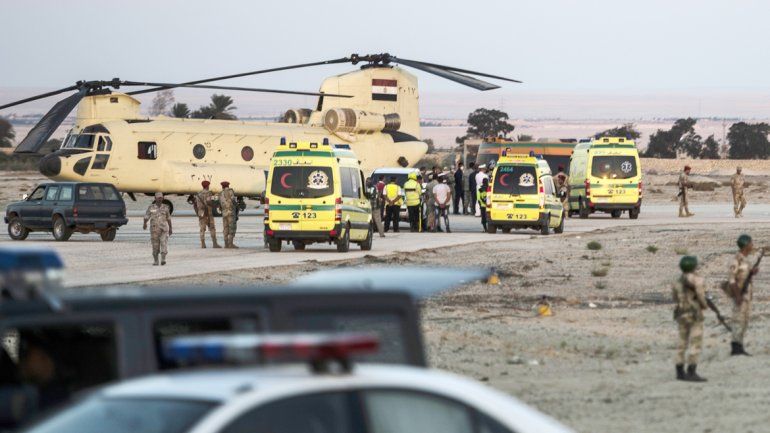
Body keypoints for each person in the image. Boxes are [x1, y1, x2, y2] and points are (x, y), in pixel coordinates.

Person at [672, 255, 708, 382]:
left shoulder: (677, 282)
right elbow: (701, 297)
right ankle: (691, 371)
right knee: (695, 342)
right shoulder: (698, 280)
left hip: (681, 314)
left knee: (682, 342)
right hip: (694, 314)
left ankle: (679, 371)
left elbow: (675, 298)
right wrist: (704, 306)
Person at [726, 234, 759, 356]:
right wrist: (738, 296)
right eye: (751, 243)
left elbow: (745, 275)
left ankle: (739, 346)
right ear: (746, 245)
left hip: (746, 295)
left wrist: (752, 272)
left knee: (744, 321)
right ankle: (735, 347)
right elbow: (732, 280)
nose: (752, 245)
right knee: (738, 320)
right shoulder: (736, 260)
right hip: (739, 295)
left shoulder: (745, 260)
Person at [188, 180, 221, 248]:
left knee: (202, 228)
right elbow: (209, 202)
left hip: (201, 213)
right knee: (212, 228)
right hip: (208, 213)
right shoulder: (209, 193)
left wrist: (198, 213)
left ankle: (203, 244)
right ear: (207, 186)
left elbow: (195, 205)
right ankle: (215, 244)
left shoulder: (198, 194)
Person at [143, 192, 172, 265]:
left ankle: (163, 259)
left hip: (164, 229)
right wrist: (145, 223)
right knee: (155, 245)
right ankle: (156, 260)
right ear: (155, 198)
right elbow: (146, 216)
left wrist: (171, 228)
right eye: (158, 198)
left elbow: (168, 218)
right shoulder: (151, 207)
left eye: (161, 198)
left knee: (163, 243)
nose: (160, 199)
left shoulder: (166, 207)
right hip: (154, 230)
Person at [218, 181, 238, 248]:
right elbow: (233, 200)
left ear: (222, 186)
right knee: (232, 227)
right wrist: (236, 205)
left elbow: (220, 204)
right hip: (230, 213)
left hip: (224, 213)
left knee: (225, 228)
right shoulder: (230, 191)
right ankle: (230, 244)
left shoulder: (220, 193)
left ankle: (226, 244)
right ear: (228, 186)